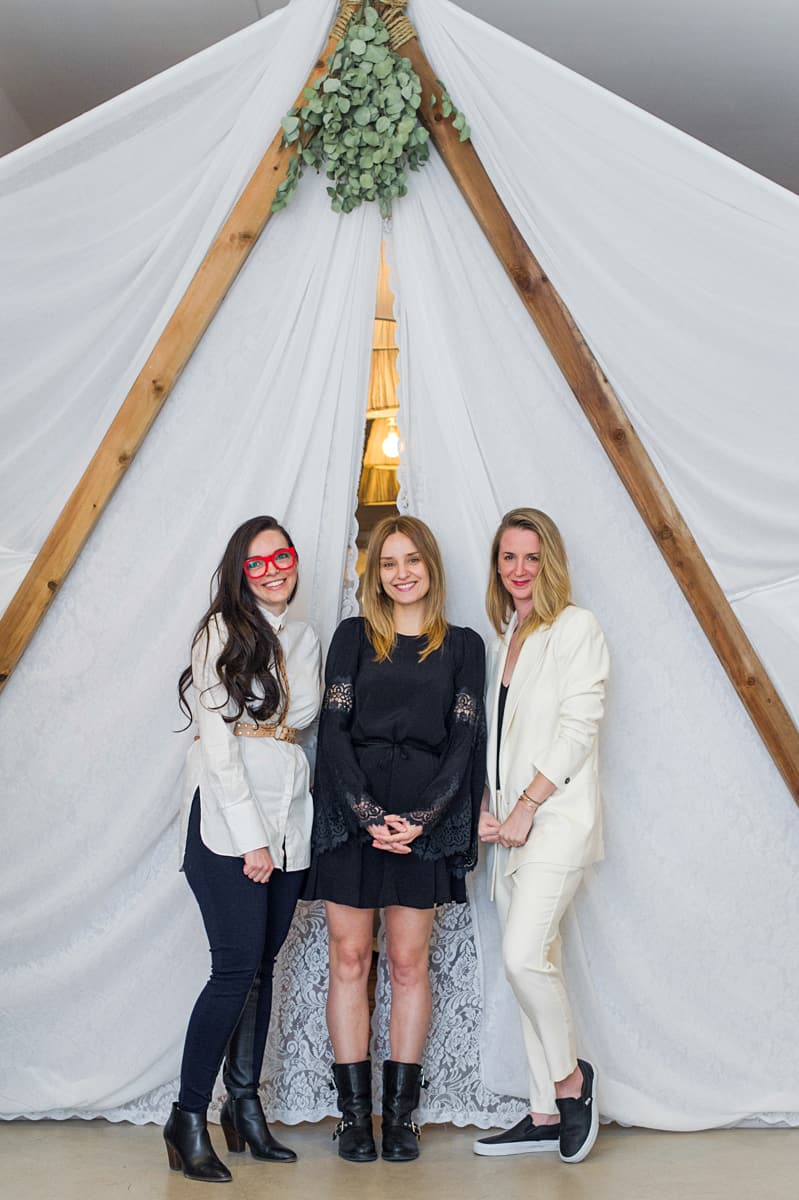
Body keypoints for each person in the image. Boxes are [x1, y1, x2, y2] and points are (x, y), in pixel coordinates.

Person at [306, 515, 485, 1164]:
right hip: (351, 815)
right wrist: (365, 813)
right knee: (349, 959)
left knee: (408, 964)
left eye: (412, 560)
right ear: (374, 574)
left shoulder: (463, 646)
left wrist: (423, 818)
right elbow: (333, 729)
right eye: (387, 562)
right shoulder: (352, 637)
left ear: (431, 565)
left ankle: (401, 1119)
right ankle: (354, 1119)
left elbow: (464, 742)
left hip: (423, 822)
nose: (401, 572)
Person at [163, 516, 321, 1183]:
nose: (272, 570)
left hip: (290, 819)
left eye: (281, 557)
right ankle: (187, 1117)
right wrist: (251, 839)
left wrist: (284, 834)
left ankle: (244, 1108)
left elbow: (300, 730)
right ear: (240, 571)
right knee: (233, 971)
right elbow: (219, 746)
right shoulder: (219, 633)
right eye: (257, 563)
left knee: (262, 968)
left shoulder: (306, 639)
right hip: (228, 824)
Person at [473, 508, 609, 1165]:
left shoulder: (575, 628)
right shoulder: (508, 634)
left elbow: (578, 729)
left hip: (554, 820)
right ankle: (542, 1112)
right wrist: (487, 804)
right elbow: (500, 739)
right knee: (536, 962)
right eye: (508, 557)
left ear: (549, 562)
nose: (519, 569)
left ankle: (571, 1082)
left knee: (522, 956)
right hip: (508, 831)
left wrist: (527, 804)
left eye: (531, 557)